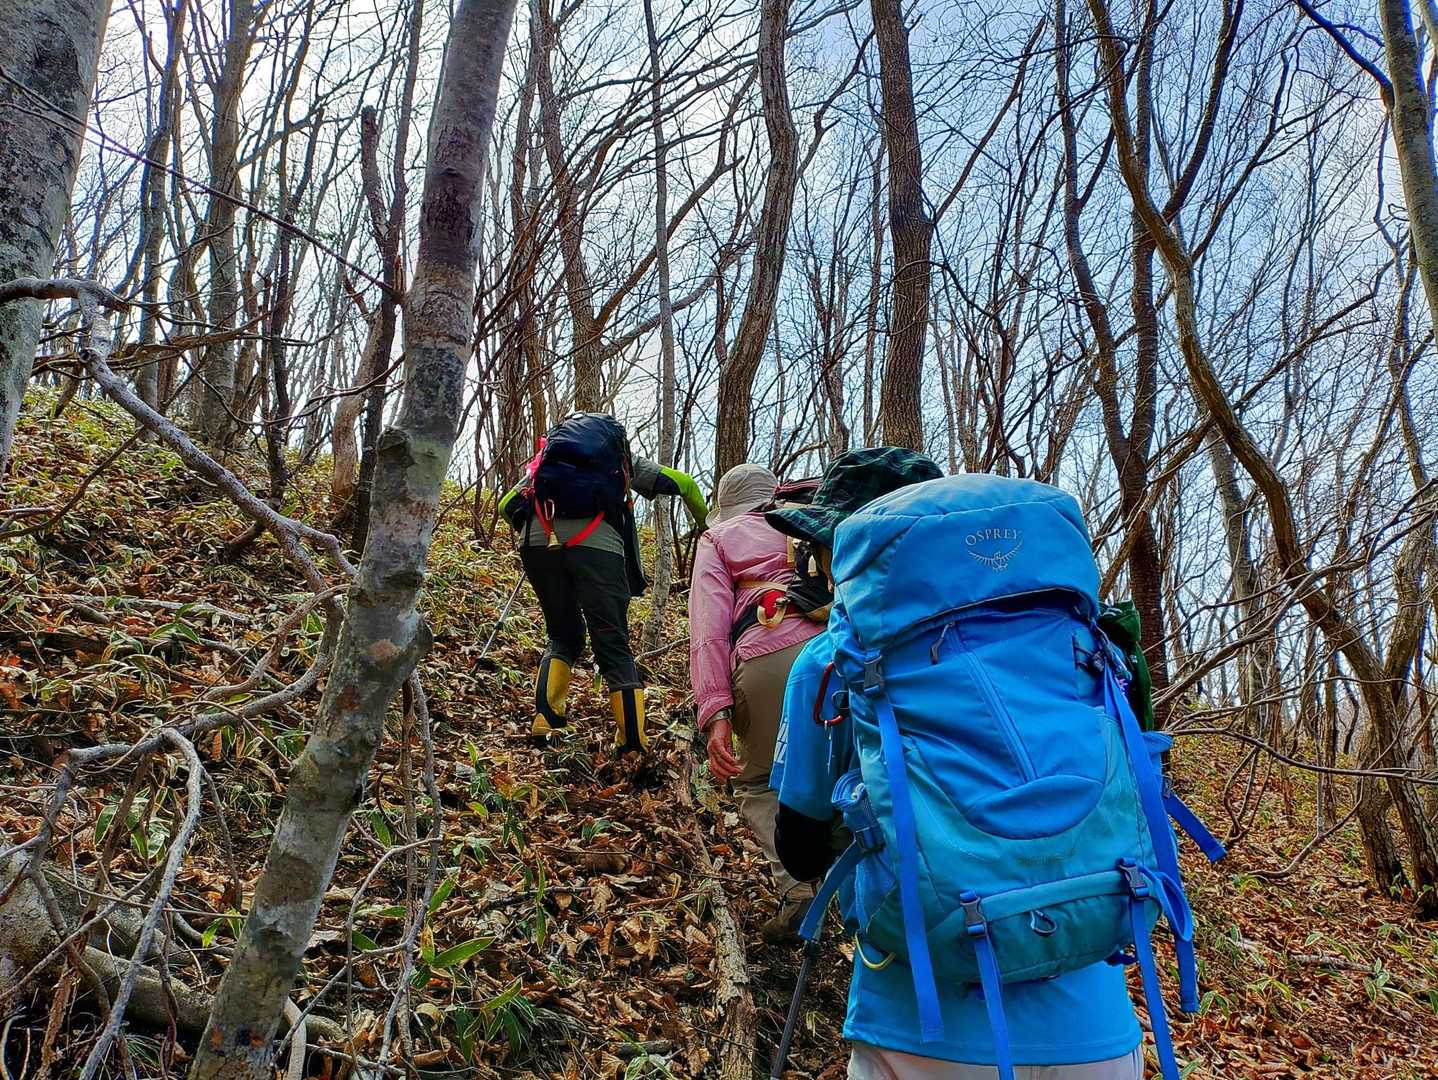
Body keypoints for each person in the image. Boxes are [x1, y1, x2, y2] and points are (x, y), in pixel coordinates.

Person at [766, 454, 1145, 1080]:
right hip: (1097, 1028)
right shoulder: (1082, 642)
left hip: (919, 1029)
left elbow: (800, 852)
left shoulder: (830, 663)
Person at [498, 413, 707, 755]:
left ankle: (546, 719)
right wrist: (707, 526)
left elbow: (507, 506)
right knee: (612, 642)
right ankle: (632, 742)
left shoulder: (544, 466)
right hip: (598, 548)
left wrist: (546, 531)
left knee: (562, 634)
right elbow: (684, 483)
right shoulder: (620, 461)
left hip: (538, 542)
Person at [689, 463, 825, 941]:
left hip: (769, 656)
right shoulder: (816, 522)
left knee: (759, 780)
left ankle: (799, 891)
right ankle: (862, 898)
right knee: (847, 776)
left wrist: (716, 713)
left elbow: (708, 631)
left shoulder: (720, 538)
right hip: (838, 652)